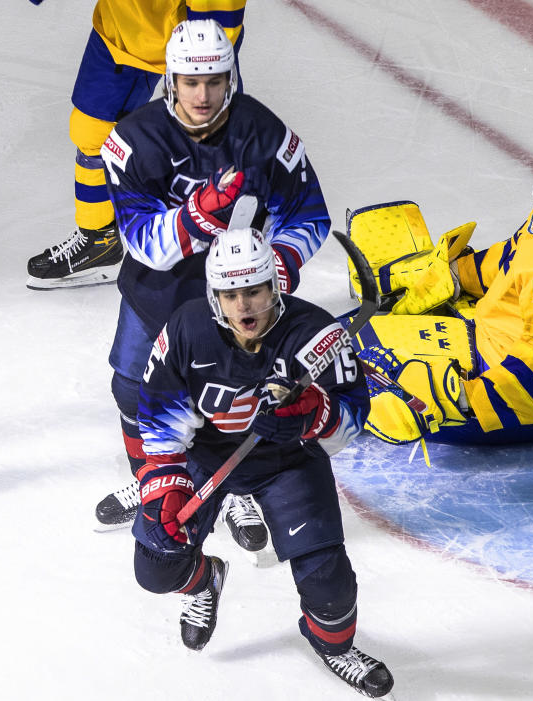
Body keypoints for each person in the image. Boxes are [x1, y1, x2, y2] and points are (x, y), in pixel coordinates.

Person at [92, 18, 330, 549]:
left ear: (231, 77)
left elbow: (310, 215)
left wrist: (279, 265)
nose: (203, 94)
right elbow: (139, 239)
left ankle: (236, 485)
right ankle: (153, 478)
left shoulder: (265, 135)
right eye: (192, 82)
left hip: (242, 300)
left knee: (236, 390)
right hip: (157, 297)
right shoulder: (133, 140)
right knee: (132, 388)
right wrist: (197, 217)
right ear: (172, 80)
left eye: (215, 80)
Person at [133, 227, 393, 698]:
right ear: (214, 295)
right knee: (156, 561)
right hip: (207, 457)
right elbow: (156, 416)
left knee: (330, 585)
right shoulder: (187, 329)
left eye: (253, 290)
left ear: (274, 285)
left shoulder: (317, 334)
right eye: (230, 294)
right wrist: (167, 484)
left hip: (288, 462)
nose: (243, 305)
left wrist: (315, 413)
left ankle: (330, 645)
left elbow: (355, 416)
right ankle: (203, 581)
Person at [346, 151, 533, 445]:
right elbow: (515, 257)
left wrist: (458, 396)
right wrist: (454, 275)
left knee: (351, 350)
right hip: (518, 340)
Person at [25, 0, 246, 290]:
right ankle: (99, 241)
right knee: (91, 130)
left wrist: (207, 61)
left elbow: (220, 17)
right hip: (120, 29)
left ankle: (228, 246)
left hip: (188, 43)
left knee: (211, 138)